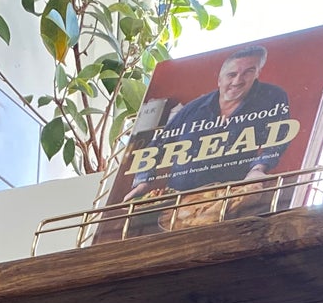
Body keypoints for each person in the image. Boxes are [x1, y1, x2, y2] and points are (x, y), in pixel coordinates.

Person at [122, 45, 300, 207]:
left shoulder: (271, 97)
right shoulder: (194, 108)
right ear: (219, 80)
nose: (238, 80)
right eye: (231, 75)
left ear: (257, 73)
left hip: (228, 201)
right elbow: (155, 147)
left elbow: (279, 135)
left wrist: (258, 169)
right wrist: (143, 181)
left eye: (248, 72)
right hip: (175, 202)